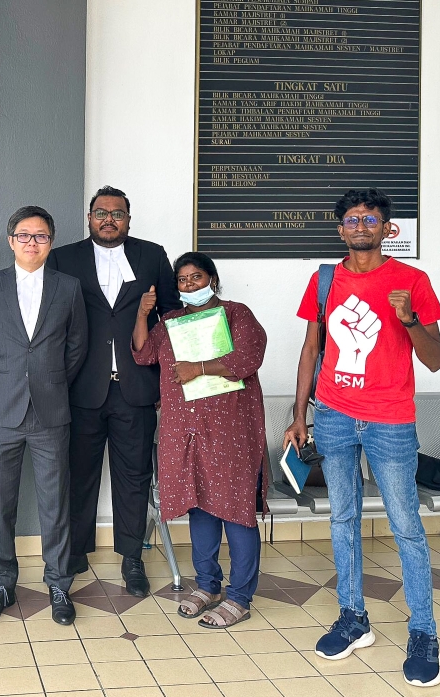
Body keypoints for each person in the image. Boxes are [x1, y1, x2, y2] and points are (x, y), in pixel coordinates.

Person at [284, 189, 440, 687]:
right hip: (334, 415)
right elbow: (311, 349)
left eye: (370, 219)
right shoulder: (324, 280)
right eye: (352, 220)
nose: (360, 226)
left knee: (406, 526)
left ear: (387, 228)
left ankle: (424, 633)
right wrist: (299, 415)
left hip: (390, 419)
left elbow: (435, 359)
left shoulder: (412, 281)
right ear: (340, 230)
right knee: (343, 519)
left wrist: (409, 320)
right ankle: (353, 618)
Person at [47, 186, 182, 596]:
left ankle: (132, 558)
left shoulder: (152, 255)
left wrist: (167, 378)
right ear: (89, 218)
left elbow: (171, 318)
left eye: (117, 213)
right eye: (101, 213)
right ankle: (75, 553)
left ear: (128, 219)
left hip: (136, 388)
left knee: (134, 476)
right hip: (80, 388)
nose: (109, 219)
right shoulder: (64, 258)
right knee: (78, 475)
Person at [132, 252, 268, 628]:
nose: (190, 285)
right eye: (183, 280)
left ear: (212, 279)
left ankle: (240, 597)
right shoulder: (170, 322)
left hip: (230, 431)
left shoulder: (236, 314)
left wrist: (199, 368)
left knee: (236, 511)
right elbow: (143, 355)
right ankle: (208, 585)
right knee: (200, 507)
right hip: (185, 431)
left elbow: (248, 358)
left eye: (197, 277)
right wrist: (143, 314)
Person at [0, 206, 88, 625]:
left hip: (50, 410)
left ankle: (58, 583)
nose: (31, 242)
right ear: (10, 241)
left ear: (50, 241)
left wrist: (48, 380)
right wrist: (6, 381)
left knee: (55, 502)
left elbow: (76, 345)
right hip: (1, 410)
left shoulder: (68, 287)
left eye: (40, 236)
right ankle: (3, 582)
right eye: (24, 235)